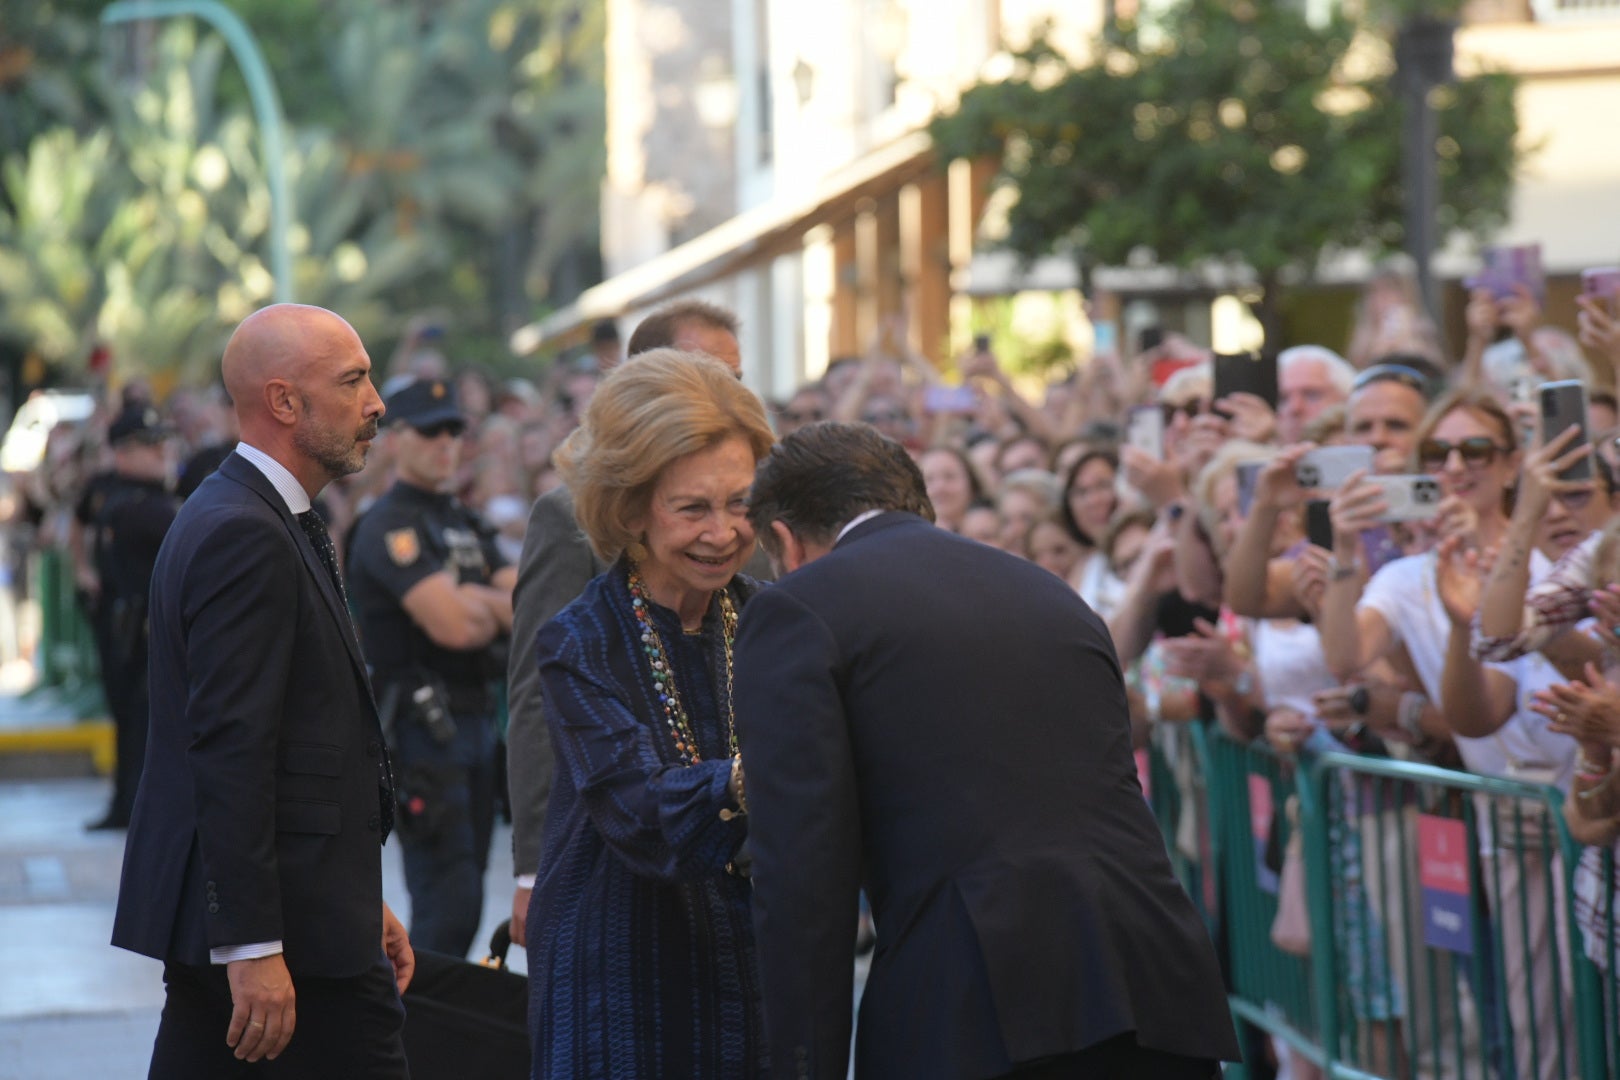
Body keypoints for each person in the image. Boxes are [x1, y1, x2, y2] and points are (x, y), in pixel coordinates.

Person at [733, 421, 1239, 1080]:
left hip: (976, 1005)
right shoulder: (1049, 592)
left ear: (784, 541)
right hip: (1154, 981)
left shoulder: (797, 610)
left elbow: (803, 872)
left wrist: (804, 1065)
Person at [111, 304, 413, 1076]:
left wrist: (350, 895)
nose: (377, 402)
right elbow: (232, 749)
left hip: (301, 923)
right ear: (284, 402)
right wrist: (251, 945)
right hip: (273, 943)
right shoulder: (244, 529)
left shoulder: (257, 514)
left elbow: (298, 745)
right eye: (352, 381)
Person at [525, 349, 775, 1078]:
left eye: (741, 504)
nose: (724, 532)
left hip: (749, 964)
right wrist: (756, 778)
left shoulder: (771, 621)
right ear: (630, 508)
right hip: (617, 973)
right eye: (693, 508)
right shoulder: (580, 639)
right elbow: (636, 810)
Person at [346, 377, 515, 958]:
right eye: (429, 431)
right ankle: (415, 1035)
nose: (445, 444)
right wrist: (484, 602)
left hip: (475, 723)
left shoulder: (465, 520)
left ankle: (430, 1034)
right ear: (395, 439)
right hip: (423, 732)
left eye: (453, 431)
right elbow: (455, 625)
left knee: (467, 898)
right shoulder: (388, 525)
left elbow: (527, 605)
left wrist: (473, 599)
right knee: (449, 903)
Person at [85, 403, 181, 831]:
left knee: (140, 723)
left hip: (138, 630)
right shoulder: (139, 505)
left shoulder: (147, 499)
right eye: (149, 444)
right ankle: (135, 808)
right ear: (122, 452)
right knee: (139, 723)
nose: (161, 451)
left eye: (162, 441)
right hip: (137, 632)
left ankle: (130, 805)